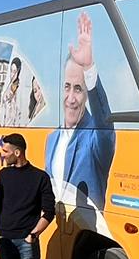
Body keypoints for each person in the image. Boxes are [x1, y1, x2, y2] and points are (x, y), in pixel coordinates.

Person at [46, 11, 118, 209]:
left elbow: (104, 123)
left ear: (87, 93)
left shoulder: (95, 136)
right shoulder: (52, 139)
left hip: (87, 231)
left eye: (78, 88)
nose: (70, 98)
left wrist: (89, 68)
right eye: (67, 86)